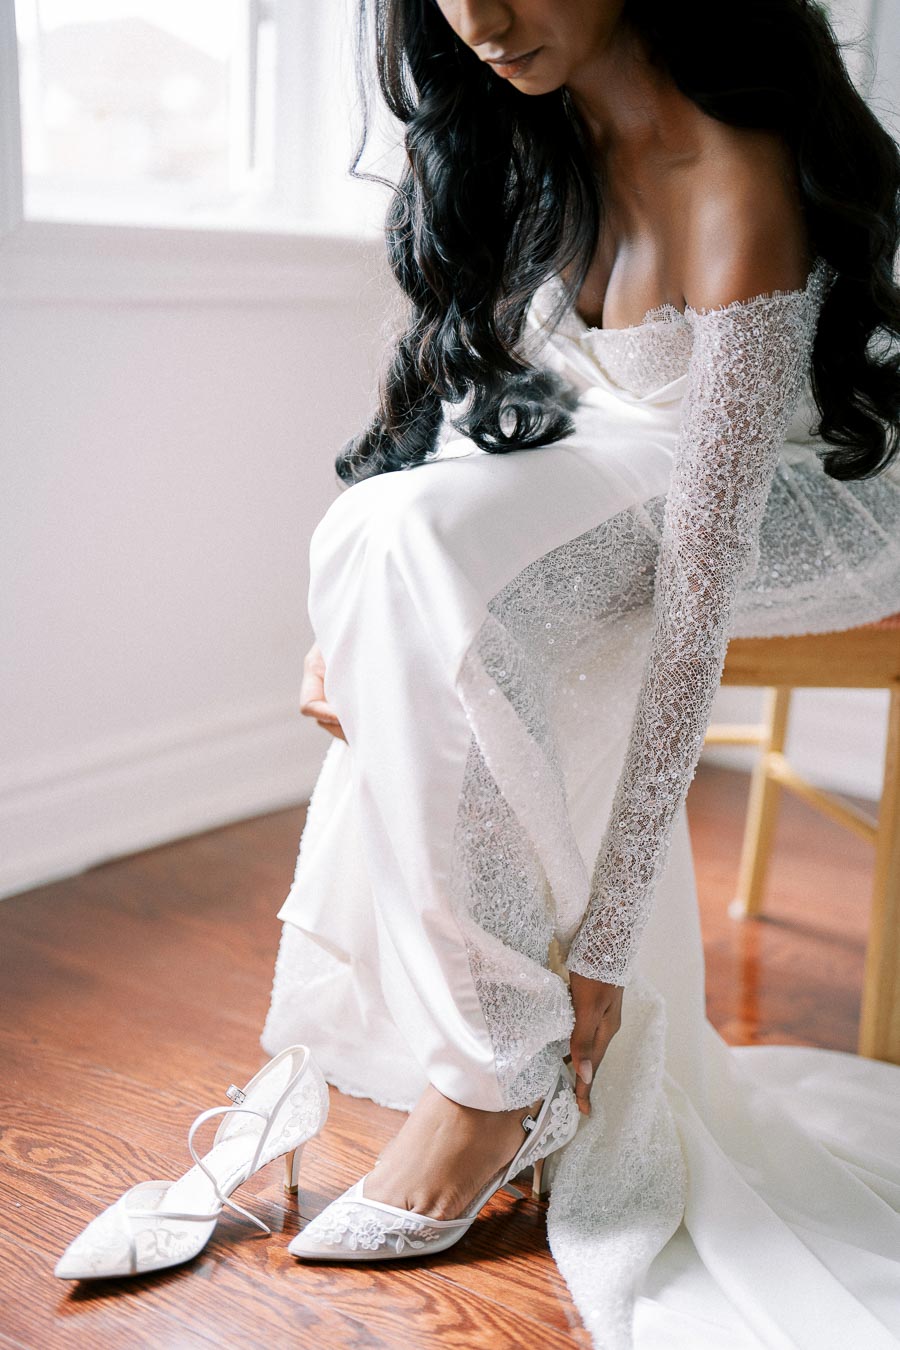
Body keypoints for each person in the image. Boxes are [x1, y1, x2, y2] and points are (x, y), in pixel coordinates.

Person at [262, 0, 900, 1343]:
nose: (482, 17)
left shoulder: (731, 170)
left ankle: (500, 1070)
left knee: (448, 577)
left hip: (810, 503)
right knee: (385, 537)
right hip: (642, 463)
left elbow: (694, 601)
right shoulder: (532, 142)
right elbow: (462, 420)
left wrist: (603, 948)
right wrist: (352, 618)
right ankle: (489, 1037)